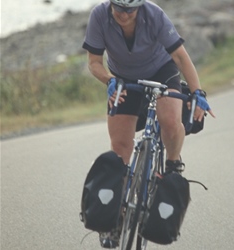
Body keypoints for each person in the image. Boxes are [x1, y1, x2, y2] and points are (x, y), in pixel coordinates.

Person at [82, 0, 215, 248]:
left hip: (161, 71)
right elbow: (94, 62)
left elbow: (180, 57)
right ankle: (115, 221)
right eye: (118, 8)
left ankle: (173, 164)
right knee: (120, 147)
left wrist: (197, 93)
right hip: (121, 77)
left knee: (171, 121)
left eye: (129, 10)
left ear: (139, 7)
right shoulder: (99, 16)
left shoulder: (154, 15)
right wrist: (109, 80)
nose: (123, 14)